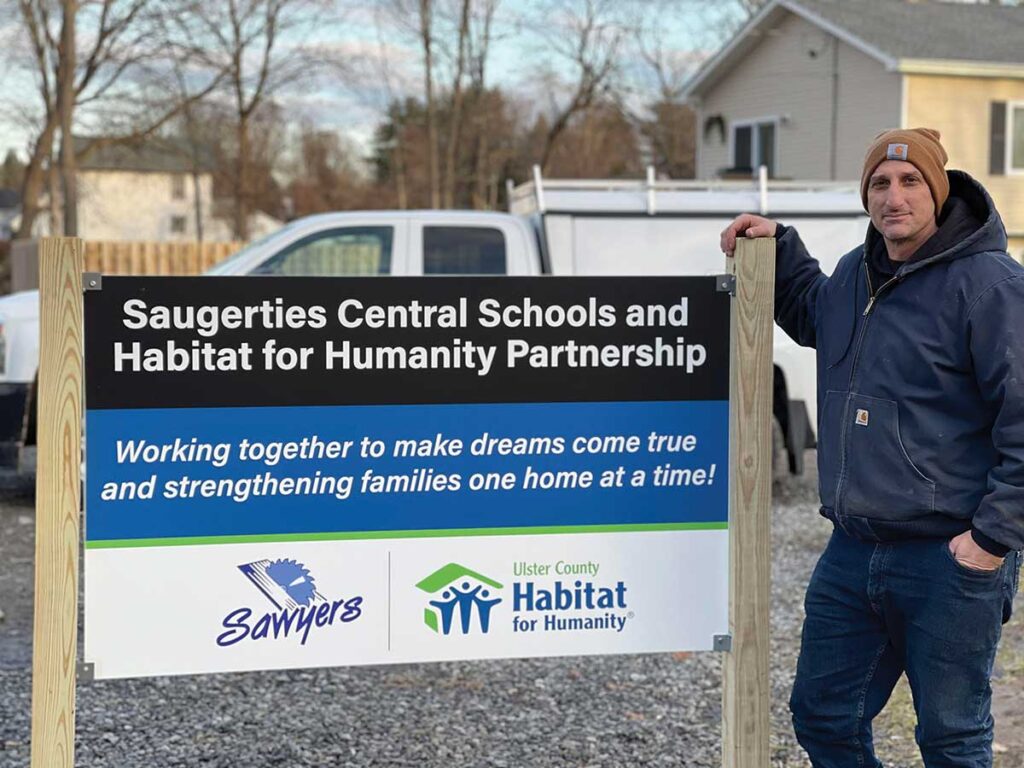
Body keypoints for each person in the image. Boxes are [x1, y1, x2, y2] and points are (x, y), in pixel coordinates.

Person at [720, 127, 1024, 767]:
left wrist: (990, 540)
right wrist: (778, 247)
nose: (894, 197)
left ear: (938, 192)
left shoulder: (990, 284)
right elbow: (813, 313)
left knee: (951, 738)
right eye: (879, 184)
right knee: (824, 717)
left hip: (948, 559)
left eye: (911, 181)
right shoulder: (858, 275)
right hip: (853, 553)